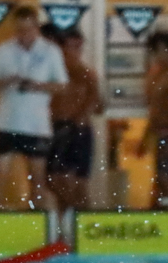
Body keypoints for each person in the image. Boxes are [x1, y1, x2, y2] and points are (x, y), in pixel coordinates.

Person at [0, 6, 67, 236]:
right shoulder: (3, 50)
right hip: (6, 123)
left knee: (37, 181)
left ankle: (45, 230)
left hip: (36, 125)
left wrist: (37, 86)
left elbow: (62, 86)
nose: (24, 35)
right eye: (19, 30)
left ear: (36, 28)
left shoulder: (50, 51)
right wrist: (7, 81)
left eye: (28, 30)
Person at [47, 28, 101, 216]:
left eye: (80, 47)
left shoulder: (85, 73)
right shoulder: (53, 71)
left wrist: (81, 115)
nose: (77, 52)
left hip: (77, 130)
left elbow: (98, 103)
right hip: (57, 127)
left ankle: (81, 220)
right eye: (73, 47)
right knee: (53, 180)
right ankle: (70, 218)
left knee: (77, 183)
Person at [139, 31, 168, 204]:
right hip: (160, 131)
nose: (156, 55)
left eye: (160, 50)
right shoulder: (157, 73)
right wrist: (146, 135)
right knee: (161, 178)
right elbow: (154, 108)